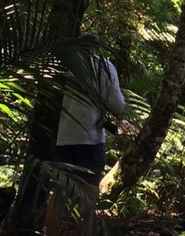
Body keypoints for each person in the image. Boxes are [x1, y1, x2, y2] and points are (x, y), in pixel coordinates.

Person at [45, 32, 125, 236]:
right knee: (87, 202)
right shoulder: (105, 67)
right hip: (91, 140)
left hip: (65, 139)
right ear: (97, 48)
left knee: (59, 195)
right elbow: (118, 104)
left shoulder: (68, 66)